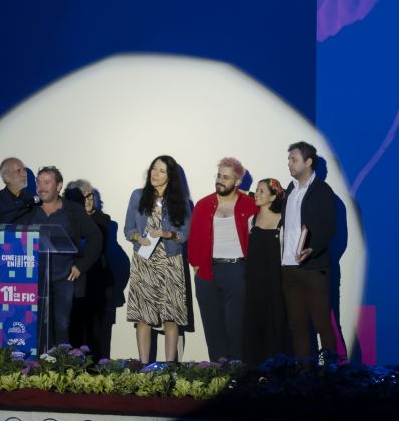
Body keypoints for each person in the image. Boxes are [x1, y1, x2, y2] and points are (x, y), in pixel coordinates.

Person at [187, 157, 258, 362]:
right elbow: (194, 237)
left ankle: (236, 369)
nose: (220, 180)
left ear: (237, 182)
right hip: (207, 271)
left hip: (237, 270)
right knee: (212, 325)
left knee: (236, 325)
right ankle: (218, 373)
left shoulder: (249, 205)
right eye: (219, 175)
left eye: (226, 177)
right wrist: (197, 266)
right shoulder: (203, 204)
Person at [123, 155, 190, 363]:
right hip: (145, 261)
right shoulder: (137, 196)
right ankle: (144, 366)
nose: (155, 173)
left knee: (171, 317)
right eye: (154, 169)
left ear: (170, 176)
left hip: (170, 261)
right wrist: (138, 238)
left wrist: (166, 233)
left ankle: (169, 366)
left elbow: (183, 235)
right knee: (144, 317)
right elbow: (128, 230)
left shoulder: (182, 202)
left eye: (161, 171)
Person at [281, 142, 338, 367]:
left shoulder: (323, 191)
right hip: (288, 266)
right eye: (288, 160)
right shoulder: (290, 189)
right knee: (297, 324)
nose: (289, 164)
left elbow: (329, 227)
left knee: (322, 323)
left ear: (308, 162)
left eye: (293, 159)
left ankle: (331, 373)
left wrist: (312, 249)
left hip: (314, 267)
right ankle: (304, 374)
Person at [32, 166, 102, 348]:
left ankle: (60, 370)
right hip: (34, 279)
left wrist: (80, 266)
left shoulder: (73, 211)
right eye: (38, 183)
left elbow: (96, 237)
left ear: (59, 186)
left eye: (47, 182)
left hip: (64, 279)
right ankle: (36, 371)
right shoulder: (29, 211)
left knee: (62, 326)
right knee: (37, 327)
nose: (41, 187)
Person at [64, 179, 116, 360]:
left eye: (89, 195)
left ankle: (95, 372)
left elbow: (92, 247)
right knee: (73, 329)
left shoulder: (103, 220)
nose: (87, 200)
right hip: (71, 283)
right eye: (82, 197)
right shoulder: (65, 218)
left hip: (95, 283)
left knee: (96, 333)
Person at [0, 157, 36, 333]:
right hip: (2, 266)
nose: (24, 175)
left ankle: (26, 360)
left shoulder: (33, 200)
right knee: (1, 321)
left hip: (26, 268)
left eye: (24, 171)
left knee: (24, 321)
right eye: (19, 171)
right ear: (6, 177)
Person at [242, 179, 288, 366]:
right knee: (254, 320)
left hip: (275, 280)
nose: (257, 194)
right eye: (257, 190)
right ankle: (254, 367)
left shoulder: (282, 221)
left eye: (262, 191)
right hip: (254, 280)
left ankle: (274, 366)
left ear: (273, 196)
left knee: (274, 320)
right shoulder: (251, 220)